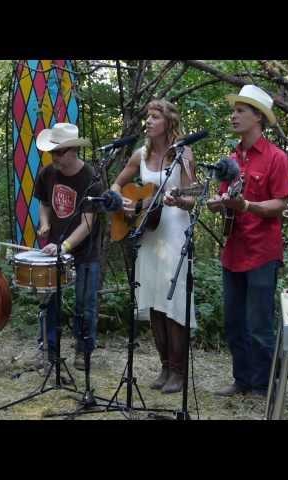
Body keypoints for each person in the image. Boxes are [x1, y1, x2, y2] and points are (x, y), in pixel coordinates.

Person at [206, 85, 288, 396]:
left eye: (241, 110)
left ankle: (263, 385)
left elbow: (281, 205)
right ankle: (241, 379)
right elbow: (223, 197)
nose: (234, 115)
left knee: (259, 324)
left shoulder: (276, 158)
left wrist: (248, 206)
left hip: (261, 252)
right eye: (235, 110)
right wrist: (218, 203)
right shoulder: (230, 159)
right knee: (233, 322)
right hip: (233, 250)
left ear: (258, 117)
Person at [110, 99, 197, 394]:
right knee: (155, 303)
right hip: (149, 235)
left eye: (155, 116)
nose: (148, 121)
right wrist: (123, 202)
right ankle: (164, 367)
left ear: (168, 121)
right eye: (147, 116)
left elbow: (193, 196)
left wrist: (179, 198)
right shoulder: (140, 155)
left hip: (175, 234)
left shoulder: (182, 153)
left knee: (174, 304)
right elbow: (115, 186)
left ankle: (179, 372)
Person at [33, 123, 102, 371]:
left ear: (73, 150)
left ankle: (83, 351)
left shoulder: (91, 178)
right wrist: (44, 223)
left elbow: (87, 223)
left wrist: (65, 246)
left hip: (85, 252)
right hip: (54, 249)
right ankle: (50, 350)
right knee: (50, 301)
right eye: (52, 152)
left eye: (59, 152)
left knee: (85, 304)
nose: (54, 158)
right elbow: (44, 203)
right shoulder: (47, 173)